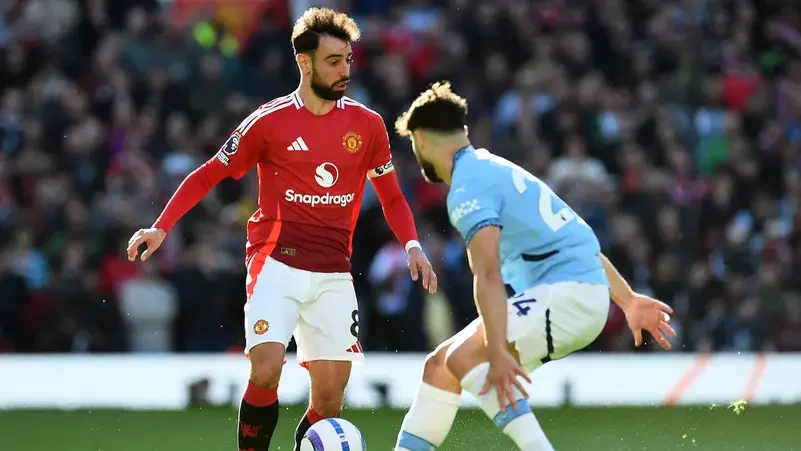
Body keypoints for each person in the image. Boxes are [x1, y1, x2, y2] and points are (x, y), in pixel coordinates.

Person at [126, 8, 438, 451]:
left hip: (334, 272)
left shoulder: (368, 125)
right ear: (304, 62)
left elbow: (390, 196)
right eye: (334, 61)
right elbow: (209, 173)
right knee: (267, 368)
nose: (345, 70)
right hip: (276, 263)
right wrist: (161, 227)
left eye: (348, 60)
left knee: (329, 401)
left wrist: (412, 245)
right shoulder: (268, 122)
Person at [392, 82, 674, 451]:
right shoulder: (495, 168)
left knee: (466, 358)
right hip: (575, 292)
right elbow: (576, 240)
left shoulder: (468, 188)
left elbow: (487, 273)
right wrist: (628, 299)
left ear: (421, 141)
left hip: (567, 297)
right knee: (440, 365)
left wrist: (497, 349)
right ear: (464, 131)